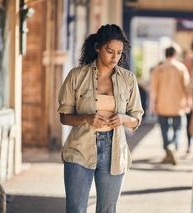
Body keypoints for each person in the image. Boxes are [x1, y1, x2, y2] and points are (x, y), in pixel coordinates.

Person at [58, 24, 144, 213]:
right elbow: (64, 117)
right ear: (97, 47)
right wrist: (86, 119)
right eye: (110, 51)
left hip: (114, 150)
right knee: (76, 209)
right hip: (80, 148)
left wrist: (122, 118)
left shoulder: (128, 79)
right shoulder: (76, 75)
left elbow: (136, 118)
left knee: (107, 209)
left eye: (119, 53)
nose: (115, 58)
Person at [150, 46, 190, 165]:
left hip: (162, 105)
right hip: (178, 105)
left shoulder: (159, 69)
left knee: (164, 128)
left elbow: (153, 89)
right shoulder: (181, 68)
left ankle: (168, 149)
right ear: (175, 54)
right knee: (178, 128)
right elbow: (187, 87)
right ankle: (173, 145)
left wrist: (152, 104)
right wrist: (188, 102)